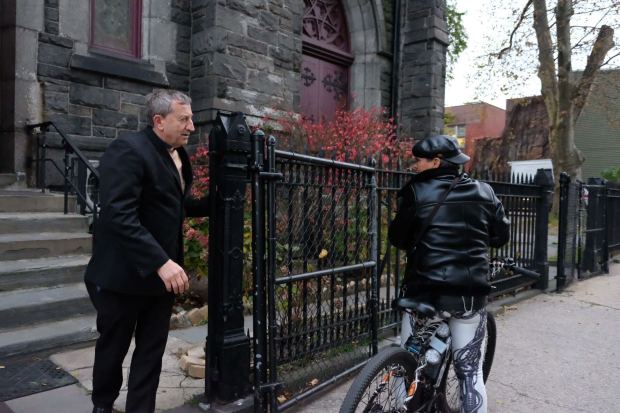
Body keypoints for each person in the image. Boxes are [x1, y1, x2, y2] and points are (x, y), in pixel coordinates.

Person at [84, 89, 209, 413]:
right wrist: (160, 262)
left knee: (151, 353)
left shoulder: (179, 156)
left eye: (191, 118)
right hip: (122, 276)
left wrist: (222, 199)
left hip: (160, 281)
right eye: (184, 119)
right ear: (159, 121)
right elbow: (119, 213)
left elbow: (174, 206)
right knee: (113, 349)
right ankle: (102, 406)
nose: (191, 126)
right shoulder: (128, 150)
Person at [388, 135, 510, 413]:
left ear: (436, 162)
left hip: (424, 292)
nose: (415, 165)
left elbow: (398, 238)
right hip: (468, 295)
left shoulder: (416, 191)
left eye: (418, 160)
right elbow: (500, 235)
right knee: (470, 371)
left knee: (407, 362)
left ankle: (400, 406)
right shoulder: (485, 191)